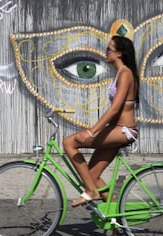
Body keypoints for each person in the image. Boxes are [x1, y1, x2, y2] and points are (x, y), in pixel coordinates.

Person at [63, 35, 139, 207]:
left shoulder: (125, 73)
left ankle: (90, 192)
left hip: (124, 130)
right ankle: (115, 222)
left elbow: (114, 109)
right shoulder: (120, 73)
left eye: (109, 49)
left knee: (69, 142)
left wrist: (92, 131)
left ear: (119, 54)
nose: (105, 53)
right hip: (117, 129)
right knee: (92, 176)